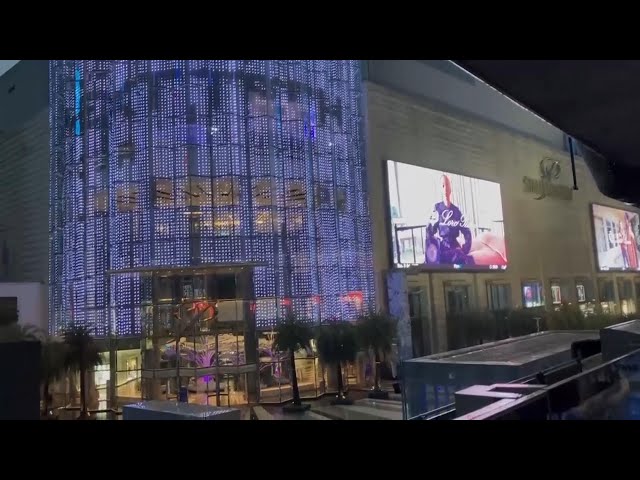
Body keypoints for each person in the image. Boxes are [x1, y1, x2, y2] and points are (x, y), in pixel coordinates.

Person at [425, 174, 472, 265]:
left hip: (455, 247)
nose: (445, 188)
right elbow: (430, 232)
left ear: (450, 188)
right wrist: (432, 249)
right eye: (443, 185)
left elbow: (467, 231)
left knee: (464, 261)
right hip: (442, 247)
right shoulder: (437, 208)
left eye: (447, 185)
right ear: (440, 189)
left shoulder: (456, 211)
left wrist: (465, 248)